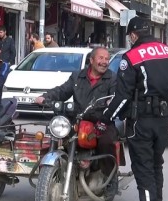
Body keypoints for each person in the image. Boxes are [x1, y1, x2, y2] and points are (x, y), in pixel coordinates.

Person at [101, 16, 168, 201]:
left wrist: (105, 118)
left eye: (130, 37)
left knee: (144, 169)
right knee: (156, 165)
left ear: (133, 35)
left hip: (141, 122)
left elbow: (123, 96)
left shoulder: (131, 56)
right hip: (163, 119)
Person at [34, 47, 118, 199]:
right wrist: (45, 97)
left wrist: (107, 108)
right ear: (91, 60)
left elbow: (115, 99)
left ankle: (110, 179)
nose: (104, 62)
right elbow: (62, 91)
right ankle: (50, 175)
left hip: (101, 121)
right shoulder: (77, 76)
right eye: (101, 58)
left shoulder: (112, 78)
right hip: (77, 119)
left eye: (106, 59)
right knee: (56, 133)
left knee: (106, 142)